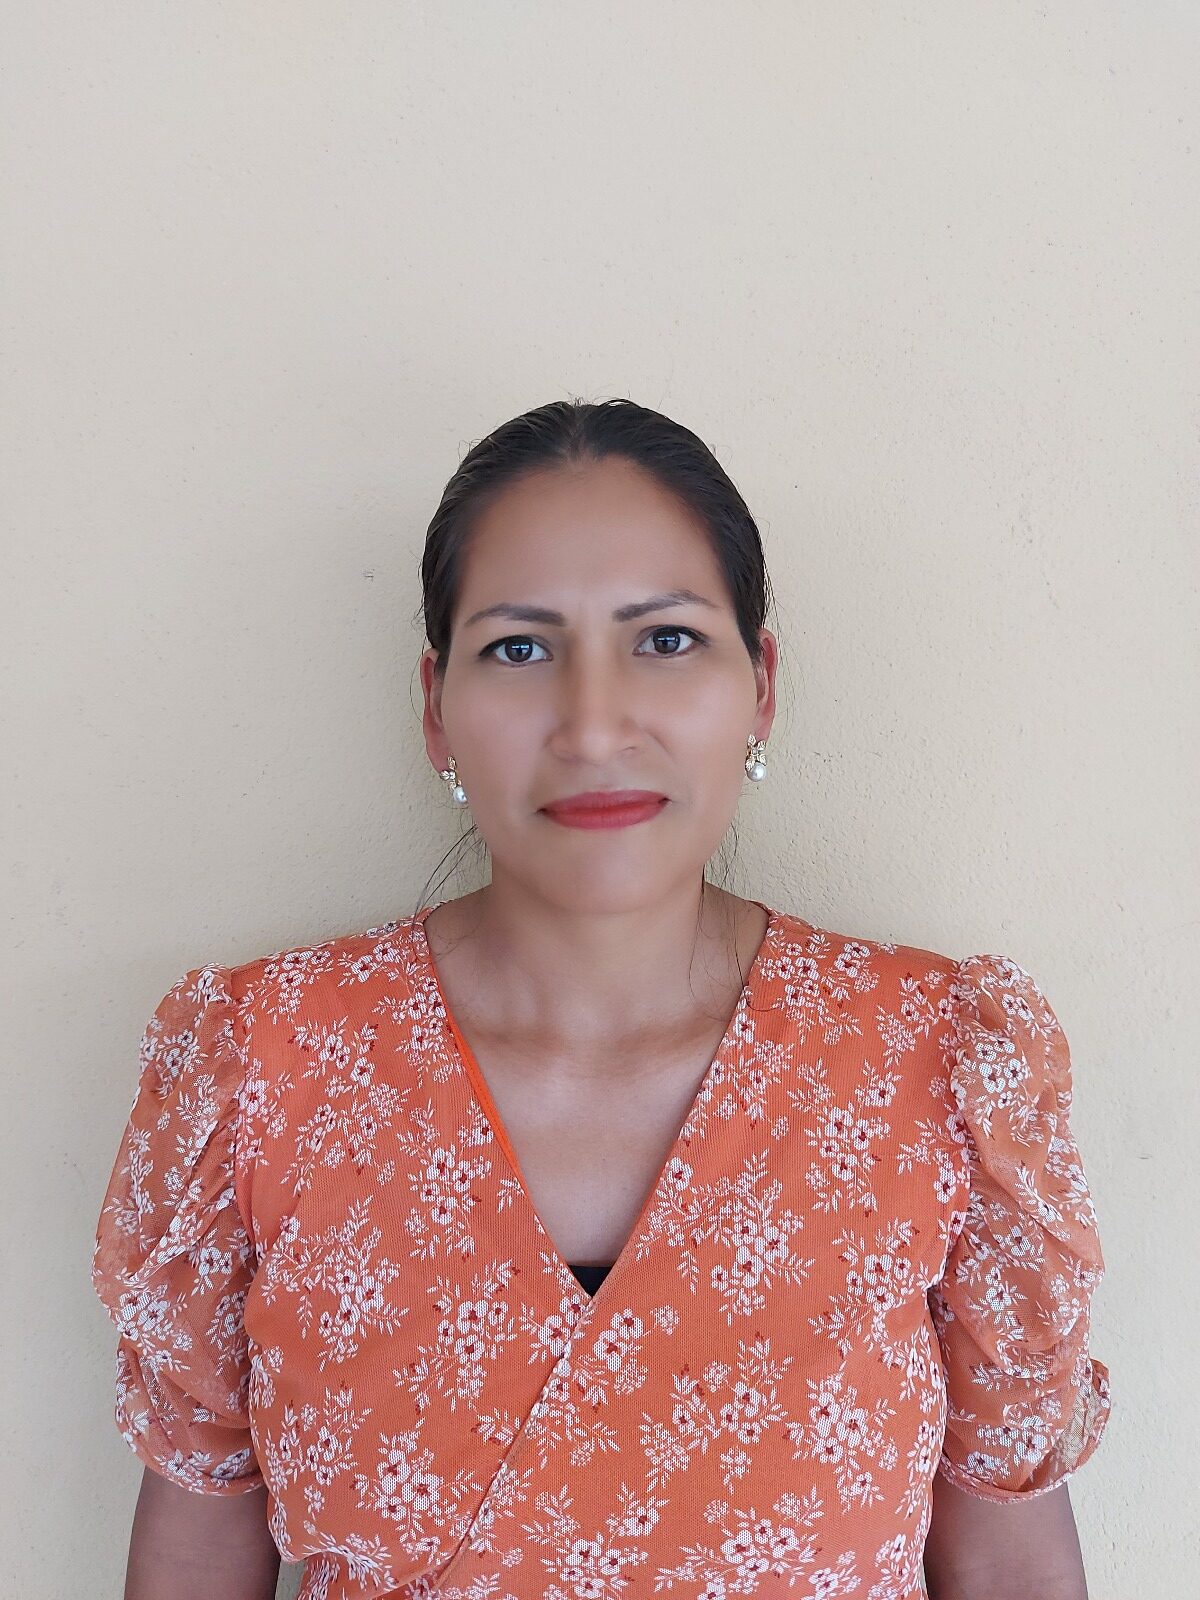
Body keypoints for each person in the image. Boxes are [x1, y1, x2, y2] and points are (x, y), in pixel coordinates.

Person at [92, 399, 1111, 1600]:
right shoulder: (261, 1071)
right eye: (519, 649)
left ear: (761, 684)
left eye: (666, 638)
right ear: (435, 705)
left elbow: (1007, 1559)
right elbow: (197, 1551)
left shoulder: (932, 1070)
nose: (592, 723)